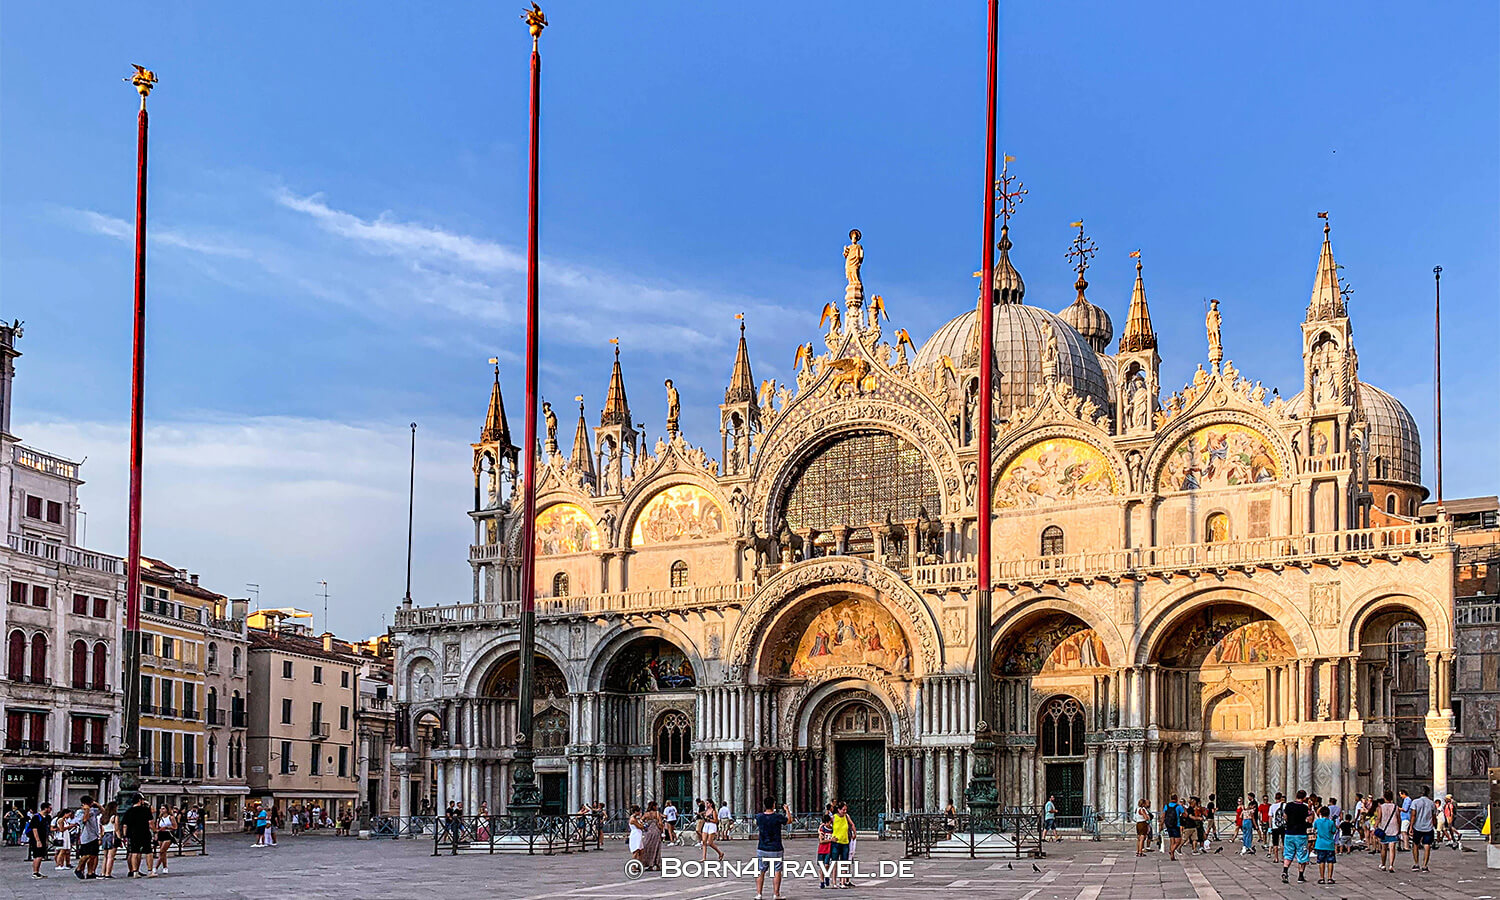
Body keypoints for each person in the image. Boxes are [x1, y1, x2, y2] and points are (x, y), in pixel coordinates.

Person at [753, 798, 790, 900]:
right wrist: (787, 810)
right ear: (773, 805)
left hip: (762, 847)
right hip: (776, 848)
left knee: (761, 870)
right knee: (777, 870)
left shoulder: (759, 817)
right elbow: (789, 821)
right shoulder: (777, 817)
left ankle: (759, 894)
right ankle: (776, 894)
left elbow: (757, 823)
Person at [1280, 790, 1311, 884]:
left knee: (1288, 854)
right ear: (1304, 798)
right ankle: (1300, 876)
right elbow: (1309, 820)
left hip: (1289, 833)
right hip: (1301, 833)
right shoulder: (1304, 807)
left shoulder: (1288, 805)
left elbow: (1285, 816)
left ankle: (1285, 871)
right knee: (1302, 854)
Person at [121, 796, 153, 878]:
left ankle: (135, 871)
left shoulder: (129, 811)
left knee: (134, 852)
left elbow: (125, 825)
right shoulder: (145, 810)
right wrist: (155, 831)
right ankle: (150, 871)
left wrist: (125, 835)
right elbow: (150, 823)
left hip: (133, 834)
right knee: (148, 852)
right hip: (145, 832)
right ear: (140, 800)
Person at [72, 796, 101, 880]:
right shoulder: (79, 812)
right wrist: (87, 810)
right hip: (86, 836)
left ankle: (90, 872)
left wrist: (98, 805)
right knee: (86, 855)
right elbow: (84, 820)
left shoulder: (94, 810)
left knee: (93, 855)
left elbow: (104, 812)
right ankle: (78, 868)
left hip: (94, 835)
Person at [1409, 786, 1437, 872]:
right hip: (1428, 827)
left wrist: (1410, 826)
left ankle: (1416, 863)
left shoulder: (1415, 802)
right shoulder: (1432, 803)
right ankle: (1425, 865)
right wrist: (1434, 825)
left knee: (1415, 844)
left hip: (1417, 826)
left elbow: (1413, 815)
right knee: (1427, 845)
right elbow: (1433, 816)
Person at [830, 802, 857, 888]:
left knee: (844, 863)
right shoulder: (834, 817)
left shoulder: (846, 816)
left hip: (845, 842)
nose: (845, 811)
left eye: (846, 809)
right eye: (843, 810)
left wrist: (854, 833)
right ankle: (834, 882)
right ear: (839, 810)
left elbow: (852, 824)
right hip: (836, 843)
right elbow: (825, 824)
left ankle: (842, 882)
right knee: (834, 862)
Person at [1375, 790, 1400, 872]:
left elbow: (1379, 818)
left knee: (1384, 848)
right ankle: (1391, 865)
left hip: (1384, 829)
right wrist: (1399, 828)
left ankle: (1383, 864)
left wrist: (1375, 826)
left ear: (1384, 797)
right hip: (1394, 827)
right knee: (1392, 848)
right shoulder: (1395, 807)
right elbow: (1398, 818)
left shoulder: (1381, 807)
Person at [1313, 805, 1338, 884]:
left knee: (1321, 861)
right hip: (1329, 844)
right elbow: (1334, 831)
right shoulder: (1331, 822)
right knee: (1330, 861)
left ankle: (1322, 878)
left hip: (1320, 844)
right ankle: (1330, 878)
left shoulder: (1317, 822)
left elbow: (1315, 828)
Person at [26, 803, 52, 879]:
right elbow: (34, 829)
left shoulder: (47, 817)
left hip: (43, 838)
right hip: (36, 839)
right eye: (49, 808)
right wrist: (38, 840)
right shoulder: (36, 817)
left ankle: (37, 871)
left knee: (40, 855)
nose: (50, 810)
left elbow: (47, 829)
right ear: (45, 808)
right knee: (38, 856)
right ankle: (35, 872)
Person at [153, 805, 176, 875]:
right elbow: (157, 828)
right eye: (161, 808)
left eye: (163, 808)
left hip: (168, 834)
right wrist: (156, 835)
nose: (162, 810)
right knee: (163, 853)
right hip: (161, 834)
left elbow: (175, 827)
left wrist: (167, 827)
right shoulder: (159, 818)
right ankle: (165, 867)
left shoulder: (171, 817)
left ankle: (155, 867)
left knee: (161, 851)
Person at [641, 802, 663, 871]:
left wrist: (645, 826)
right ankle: (657, 864)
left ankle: (650, 864)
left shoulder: (646, 814)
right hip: (656, 832)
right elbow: (660, 823)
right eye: (656, 806)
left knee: (648, 847)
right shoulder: (657, 813)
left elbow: (641, 821)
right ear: (653, 806)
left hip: (649, 832)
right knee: (656, 848)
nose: (657, 807)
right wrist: (662, 831)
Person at [700, 797, 724, 862]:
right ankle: (704, 857)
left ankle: (720, 853)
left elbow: (716, 820)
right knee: (704, 841)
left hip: (712, 825)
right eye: (706, 803)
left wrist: (709, 819)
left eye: (707, 803)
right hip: (706, 825)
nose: (706, 805)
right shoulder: (706, 811)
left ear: (710, 804)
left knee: (710, 843)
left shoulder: (713, 811)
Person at [1161, 794, 1184, 861]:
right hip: (1176, 825)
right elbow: (1185, 814)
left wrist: (1161, 824)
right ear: (1176, 799)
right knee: (1178, 841)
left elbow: (1163, 815)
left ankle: (1172, 856)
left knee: (1172, 840)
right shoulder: (1178, 806)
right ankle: (1172, 850)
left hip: (1168, 825)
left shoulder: (1166, 806)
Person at [100, 801, 119, 878]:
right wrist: (120, 838)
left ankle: (103, 872)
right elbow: (116, 829)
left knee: (105, 856)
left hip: (105, 835)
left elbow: (102, 830)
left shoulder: (103, 817)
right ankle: (108, 873)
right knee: (111, 856)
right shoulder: (114, 817)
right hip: (112, 834)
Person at [816, 811, 834, 889]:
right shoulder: (822, 829)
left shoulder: (832, 829)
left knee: (826, 865)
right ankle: (822, 881)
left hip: (828, 849)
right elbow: (821, 841)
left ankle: (826, 875)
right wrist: (831, 840)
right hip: (821, 849)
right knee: (821, 866)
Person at [52, 806, 74, 871]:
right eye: (68, 814)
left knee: (64, 851)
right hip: (62, 836)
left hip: (66, 835)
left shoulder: (65, 820)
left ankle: (62, 864)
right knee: (61, 851)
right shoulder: (61, 820)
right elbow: (61, 829)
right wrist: (69, 826)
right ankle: (58, 864)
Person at [1267, 792, 1285, 860]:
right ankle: (1283, 857)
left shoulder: (1272, 806)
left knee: (1275, 843)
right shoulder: (1284, 805)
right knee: (1283, 842)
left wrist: (1270, 827)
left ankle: (1276, 858)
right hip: (1283, 826)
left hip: (1275, 826)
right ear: (1281, 798)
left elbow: (1270, 817)